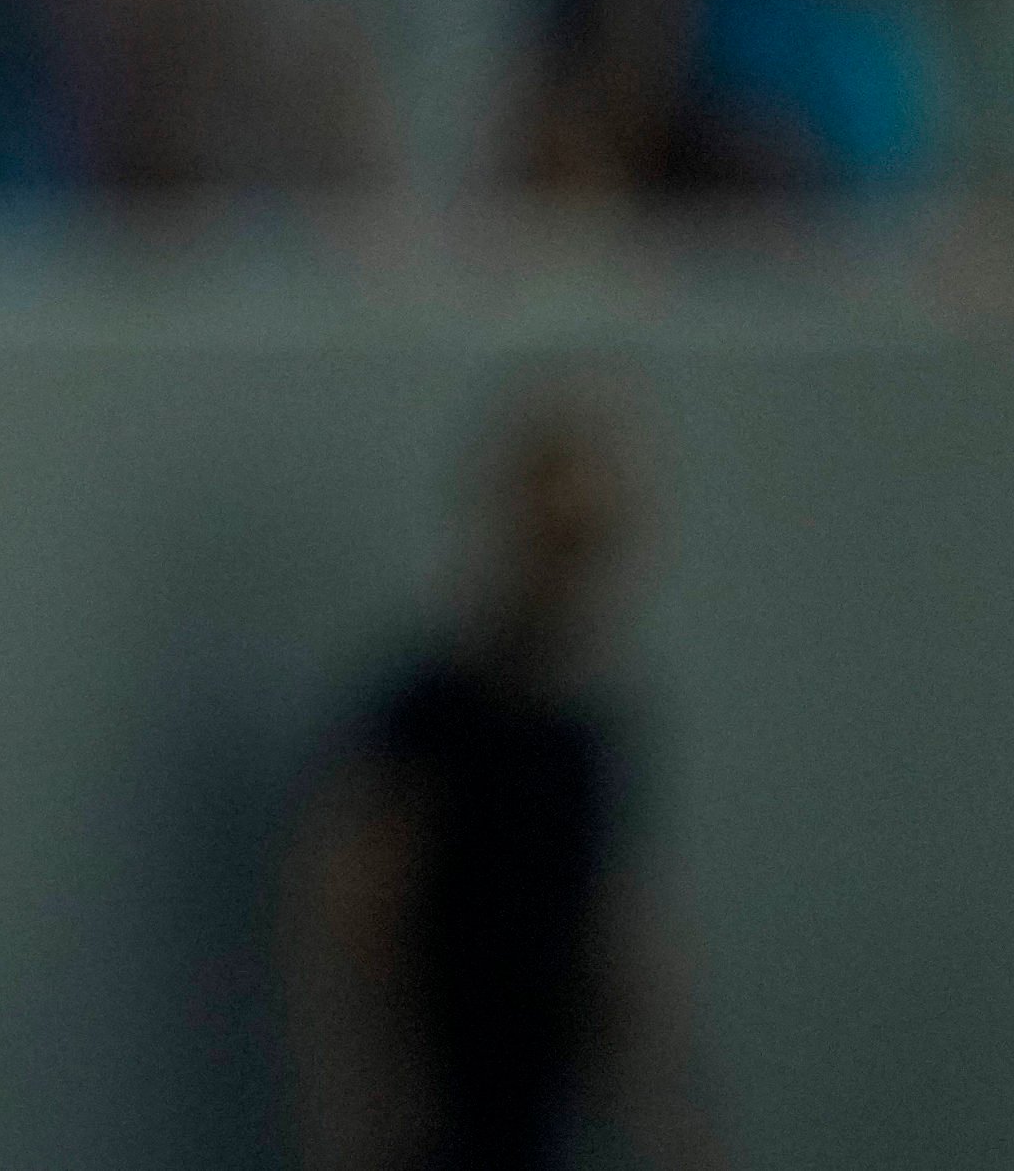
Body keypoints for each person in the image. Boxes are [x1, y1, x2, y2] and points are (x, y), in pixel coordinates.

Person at [285, 391, 727, 1171]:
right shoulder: (428, 717)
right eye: (552, 542)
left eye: (587, 546)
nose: (566, 573)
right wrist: (365, 1104)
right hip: (431, 1130)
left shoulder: (583, 739)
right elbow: (350, 912)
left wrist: (669, 1121)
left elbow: (608, 939)